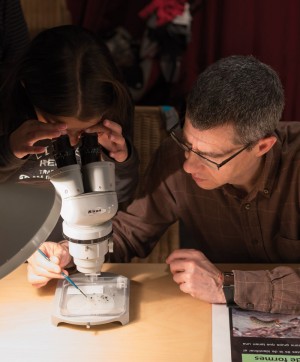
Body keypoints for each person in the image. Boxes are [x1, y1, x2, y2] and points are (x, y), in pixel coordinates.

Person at [27, 55, 300, 315]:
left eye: (209, 157)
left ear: (262, 146)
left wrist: (225, 286)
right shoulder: (173, 157)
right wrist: (68, 251)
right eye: (187, 144)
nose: (189, 166)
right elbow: (130, 230)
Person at [0, 25, 139, 214]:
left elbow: (122, 197)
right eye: (54, 125)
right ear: (25, 87)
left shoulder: (111, 121)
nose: (73, 142)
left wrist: (121, 161)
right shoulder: (8, 110)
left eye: (84, 131)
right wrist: (8, 151)